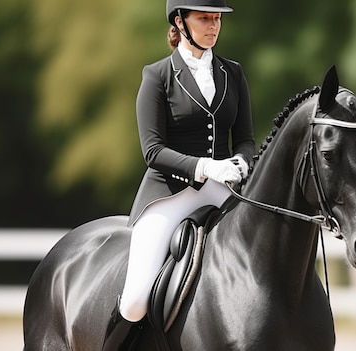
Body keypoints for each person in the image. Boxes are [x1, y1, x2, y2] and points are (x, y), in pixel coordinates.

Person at [102, 0, 255, 348]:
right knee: (137, 296)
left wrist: (243, 162)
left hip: (221, 191)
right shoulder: (157, 76)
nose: (213, 25)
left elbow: (244, 138)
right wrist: (204, 166)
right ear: (180, 21)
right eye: (204, 18)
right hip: (169, 194)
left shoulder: (233, 73)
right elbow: (152, 151)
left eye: (216, 18)